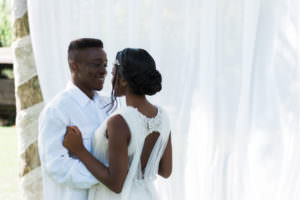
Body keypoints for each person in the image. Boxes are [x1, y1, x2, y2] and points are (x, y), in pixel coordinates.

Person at [63, 48, 173, 200]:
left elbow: (116, 184)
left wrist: (80, 150)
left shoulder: (120, 121)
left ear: (123, 80)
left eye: (114, 74)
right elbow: (166, 171)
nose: (110, 78)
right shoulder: (163, 116)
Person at [38, 38, 110, 200]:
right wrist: (108, 176)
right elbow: (56, 165)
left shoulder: (109, 106)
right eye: (96, 64)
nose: (103, 71)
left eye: (105, 65)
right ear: (74, 66)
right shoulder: (57, 110)